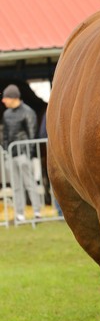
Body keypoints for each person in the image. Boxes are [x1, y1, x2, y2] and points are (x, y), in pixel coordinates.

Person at [1, 84, 41, 221]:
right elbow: (5, 135)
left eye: (6, 97)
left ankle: (37, 212)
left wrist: (28, 155)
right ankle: (19, 214)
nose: (3, 100)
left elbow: (32, 134)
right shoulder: (6, 114)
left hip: (24, 155)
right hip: (11, 155)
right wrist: (6, 150)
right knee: (16, 186)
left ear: (13, 98)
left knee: (30, 183)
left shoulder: (28, 112)